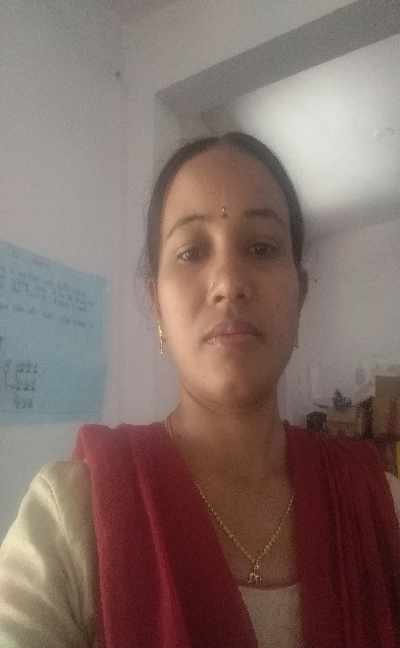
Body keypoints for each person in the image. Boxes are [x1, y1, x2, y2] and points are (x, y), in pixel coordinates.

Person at [1, 132, 400, 648]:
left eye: (261, 247)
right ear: (157, 304)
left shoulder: (382, 505)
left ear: (299, 296)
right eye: (191, 251)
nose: (228, 283)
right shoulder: (70, 515)